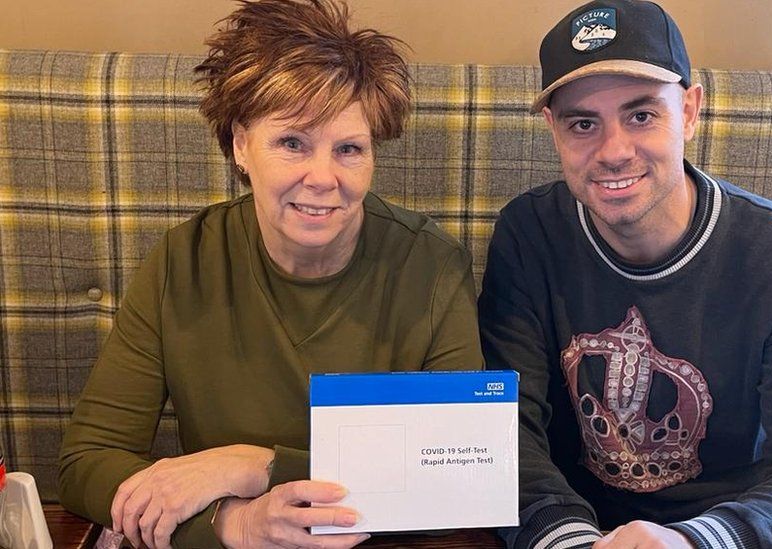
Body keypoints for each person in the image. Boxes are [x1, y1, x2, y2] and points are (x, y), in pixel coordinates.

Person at [57, 1, 483, 548]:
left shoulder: (432, 265)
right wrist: (233, 522)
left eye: (349, 149)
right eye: (292, 143)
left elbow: (459, 482)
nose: (323, 178)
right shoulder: (180, 263)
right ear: (240, 144)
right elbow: (86, 463)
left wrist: (253, 466)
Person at [478, 1, 772, 547]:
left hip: (724, 532)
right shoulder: (528, 234)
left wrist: (693, 541)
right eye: (583, 123)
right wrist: (568, 538)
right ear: (553, 129)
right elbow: (504, 428)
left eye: (641, 115)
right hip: (570, 530)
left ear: (688, 111)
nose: (614, 152)